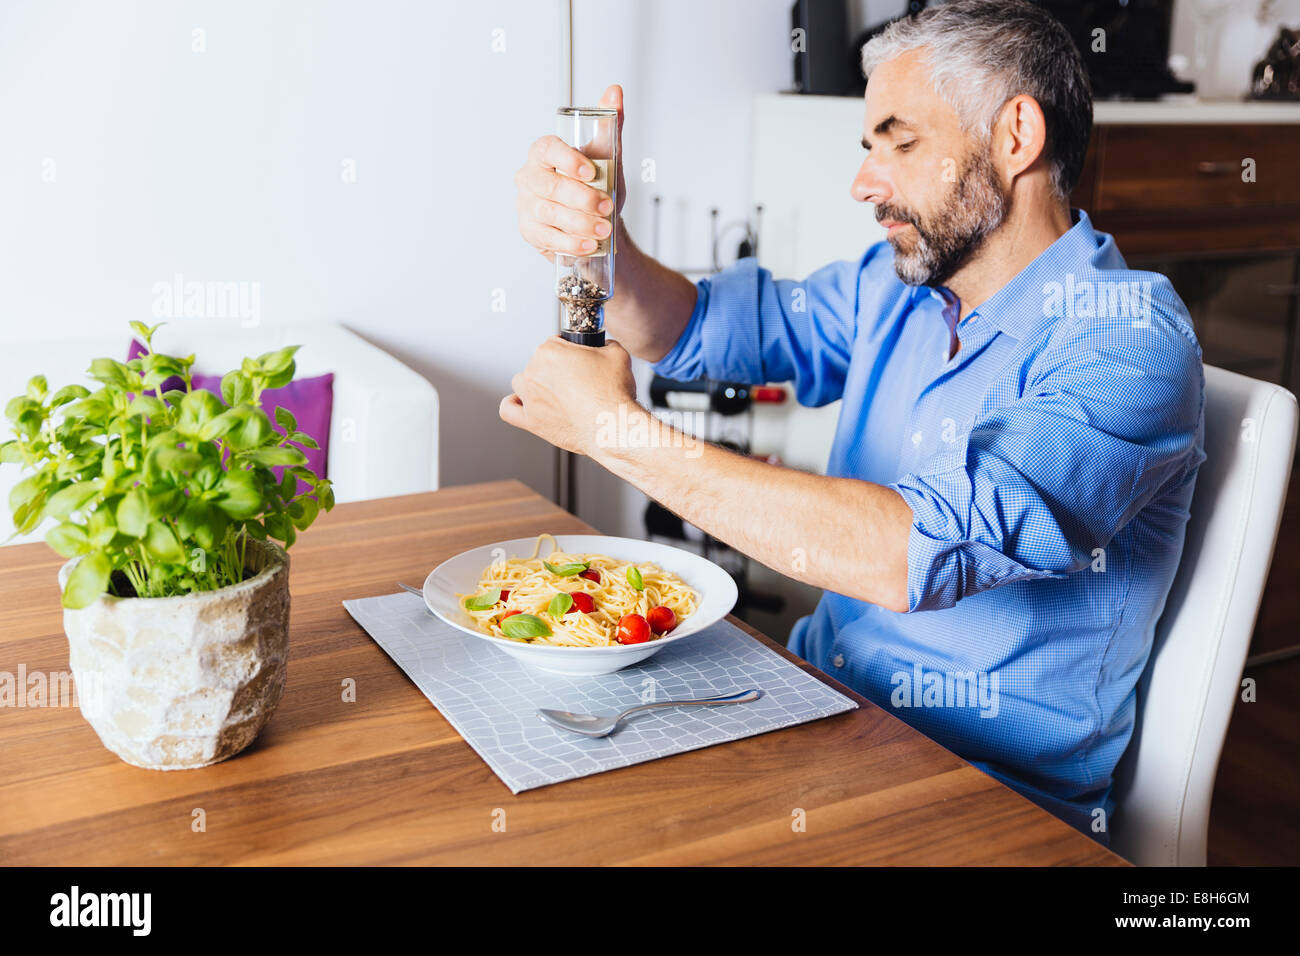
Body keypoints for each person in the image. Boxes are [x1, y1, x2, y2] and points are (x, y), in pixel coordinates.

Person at [505, 0, 1205, 844]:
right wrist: (600, 243)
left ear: (1017, 136)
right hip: (813, 711)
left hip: (980, 806)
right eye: (867, 149)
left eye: (900, 143)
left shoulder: (1128, 340)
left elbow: (919, 552)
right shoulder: (899, 288)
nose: (864, 183)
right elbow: (695, 328)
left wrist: (618, 434)